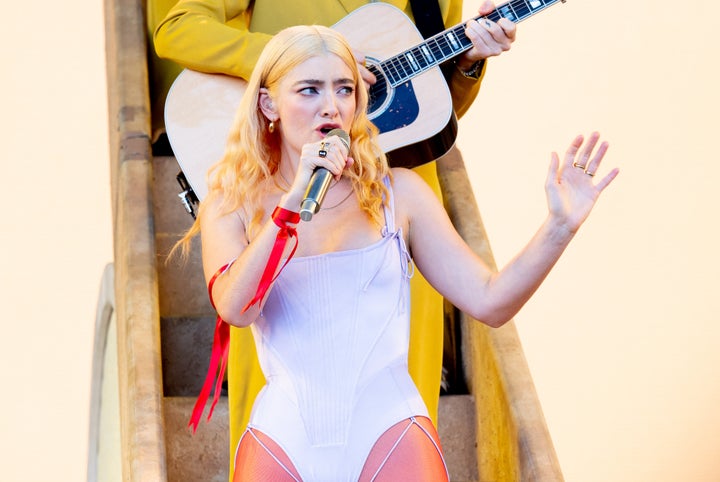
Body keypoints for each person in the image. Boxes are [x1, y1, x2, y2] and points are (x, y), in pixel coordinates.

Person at [177, 22, 617, 481]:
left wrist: (560, 227)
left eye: (344, 89)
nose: (331, 106)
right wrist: (291, 207)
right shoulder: (231, 204)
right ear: (269, 104)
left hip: (389, 430)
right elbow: (236, 308)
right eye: (309, 90)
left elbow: (491, 300)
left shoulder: (398, 195)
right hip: (282, 439)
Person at [152, 0, 518, 462]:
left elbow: (430, 99)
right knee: (273, 398)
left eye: (342, 88)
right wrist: (286, 60)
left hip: (387, 197)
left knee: (399, 385)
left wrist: (468, 64)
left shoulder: (405, 200)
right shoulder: (247, 191)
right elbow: (177, 29)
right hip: (279, 191)